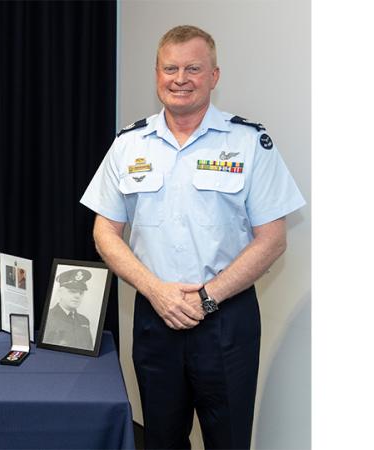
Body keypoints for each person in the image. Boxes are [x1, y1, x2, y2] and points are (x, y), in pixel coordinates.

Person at [80, 25, 305, 449]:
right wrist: (157, 292)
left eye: (193, 68)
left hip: (227, 321)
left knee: (229, 440)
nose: (180, 78)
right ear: (157, 74)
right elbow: (104, 233)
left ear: (214, 76)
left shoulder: (249, 142)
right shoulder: (128, 144)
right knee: (161, 439)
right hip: (155, 317)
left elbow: (273, 239)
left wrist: (206, 298)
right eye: (170, 68)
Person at [42, 269, 94, 349]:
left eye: (81, 293)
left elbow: (89, 348)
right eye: (72, 291)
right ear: (60, 292)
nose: (78, 296)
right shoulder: (48, 318)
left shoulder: (84, 321)